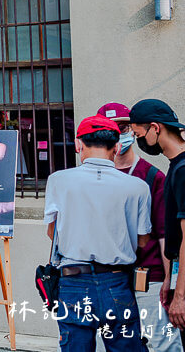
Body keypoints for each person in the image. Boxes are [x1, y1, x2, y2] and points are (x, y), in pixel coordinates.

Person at [44, 115, 150, 351]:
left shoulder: (58, 181)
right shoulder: (138, 187)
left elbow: (53, 232)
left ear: (78, 144)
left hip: (73, 281)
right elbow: (143, 239)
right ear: (117, 147)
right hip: (117, 280)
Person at [103, 102, 177, 352]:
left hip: (149, 277)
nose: (119, 133)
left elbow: (165, 234)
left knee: (161, 341)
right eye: (112, 128)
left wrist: (170, 281)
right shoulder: (93, 177)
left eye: (125, 127)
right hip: (107, 278)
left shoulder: (152, 176)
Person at [129, 99, 185, 343]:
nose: (138, 141)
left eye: (138, 134)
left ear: (155, 127)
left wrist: (180, 295)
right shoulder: (176, 166)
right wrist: (168, 282)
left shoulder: (182, 170)